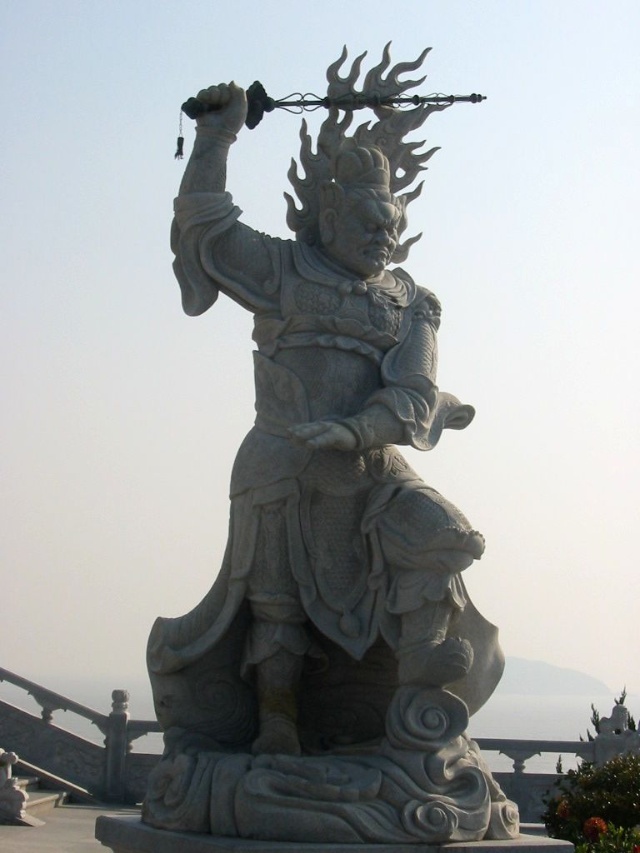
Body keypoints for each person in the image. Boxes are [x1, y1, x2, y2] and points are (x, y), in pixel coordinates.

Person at [147, 82, 503, 757]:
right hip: (283, 457)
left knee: (445, 535)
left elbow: (415, 392)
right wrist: (216, 138)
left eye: (390, 226)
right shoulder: (284, 269)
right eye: (368, 223)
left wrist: (357, 430)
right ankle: (277, 718)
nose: (382, 238)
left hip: (374, 463)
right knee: (275, 602)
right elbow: (207, 225)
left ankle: (420, 679)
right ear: (329, 214)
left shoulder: (411, 301)